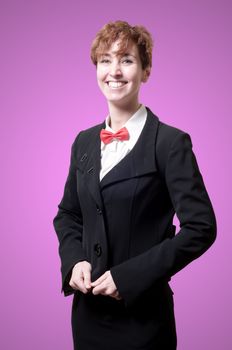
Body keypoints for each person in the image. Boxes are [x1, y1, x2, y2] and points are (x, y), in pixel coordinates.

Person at [53, 20, 217, 350]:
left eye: (126, 59)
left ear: (146, 70)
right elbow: (68, 214)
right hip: (87, 316)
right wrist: (74, 262)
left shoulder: (170, 143)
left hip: (143, 319)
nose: (114, 71)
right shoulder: (83, 142)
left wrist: (128, 277)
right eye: (105, 60)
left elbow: (201, 227)